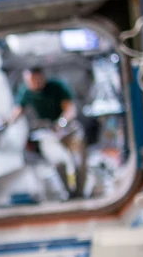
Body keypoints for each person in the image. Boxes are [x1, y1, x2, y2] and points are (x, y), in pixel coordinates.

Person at [9, 67, 86, 198]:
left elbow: (70, 109)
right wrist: (8, 121)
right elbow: (18, 110)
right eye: (30, 81)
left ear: (43, 77)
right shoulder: (26, 92)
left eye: (36, 80)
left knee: (78, 162)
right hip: (48, 134)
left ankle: (80, 194)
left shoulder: (57, 86)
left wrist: (62, 122)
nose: (34, 84)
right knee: (58, 162)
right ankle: (69, 195)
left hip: (69, 130)